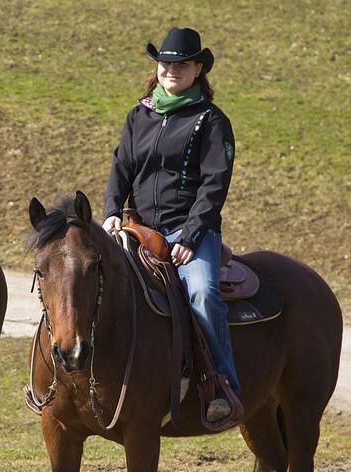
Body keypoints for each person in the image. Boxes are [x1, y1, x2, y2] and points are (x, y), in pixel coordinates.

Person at [102, 27, 240, 423]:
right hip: (139, 231)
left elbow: (215, 185)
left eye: (181, 64)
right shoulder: (138, 115)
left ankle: (222, 386)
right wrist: (112, 210)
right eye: (165, 63)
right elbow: (121, 167)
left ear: (198, 70)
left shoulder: (211, 121)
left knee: (201, 292)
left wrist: (193, 237)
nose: (171, 70)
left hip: (189, 233)